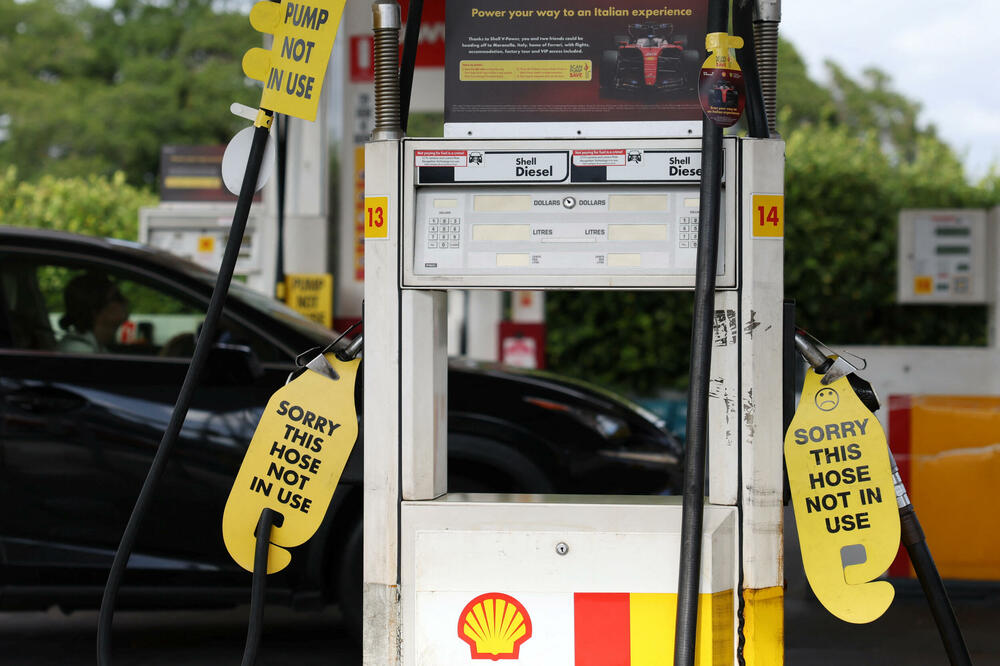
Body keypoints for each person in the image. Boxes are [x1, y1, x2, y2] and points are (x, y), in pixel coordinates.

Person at [57, 273, 129, 353]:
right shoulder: (79, 350)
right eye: (117, 297)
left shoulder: (95, 346)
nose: (125, 300)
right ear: (95, 310)